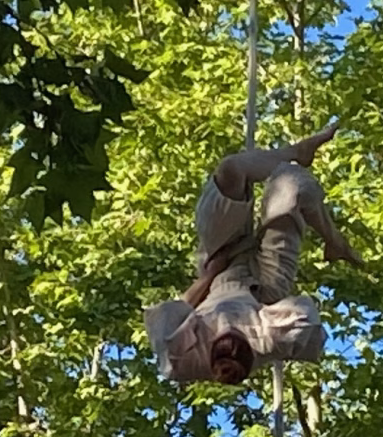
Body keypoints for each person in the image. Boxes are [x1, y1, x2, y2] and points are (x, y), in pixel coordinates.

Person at [144, 122, 361, 384]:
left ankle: (295, 151)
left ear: (213, 350)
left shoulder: (182, 361)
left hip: (216, 271)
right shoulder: (266, 341)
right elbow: (306, 318)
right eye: (238, 337)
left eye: (224, 337)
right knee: (289, 187)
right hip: (265, 284)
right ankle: (335, 242)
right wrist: (270, 319)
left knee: (231, 171)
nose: (229, 329)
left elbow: (175, 309)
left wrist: (208, 277)